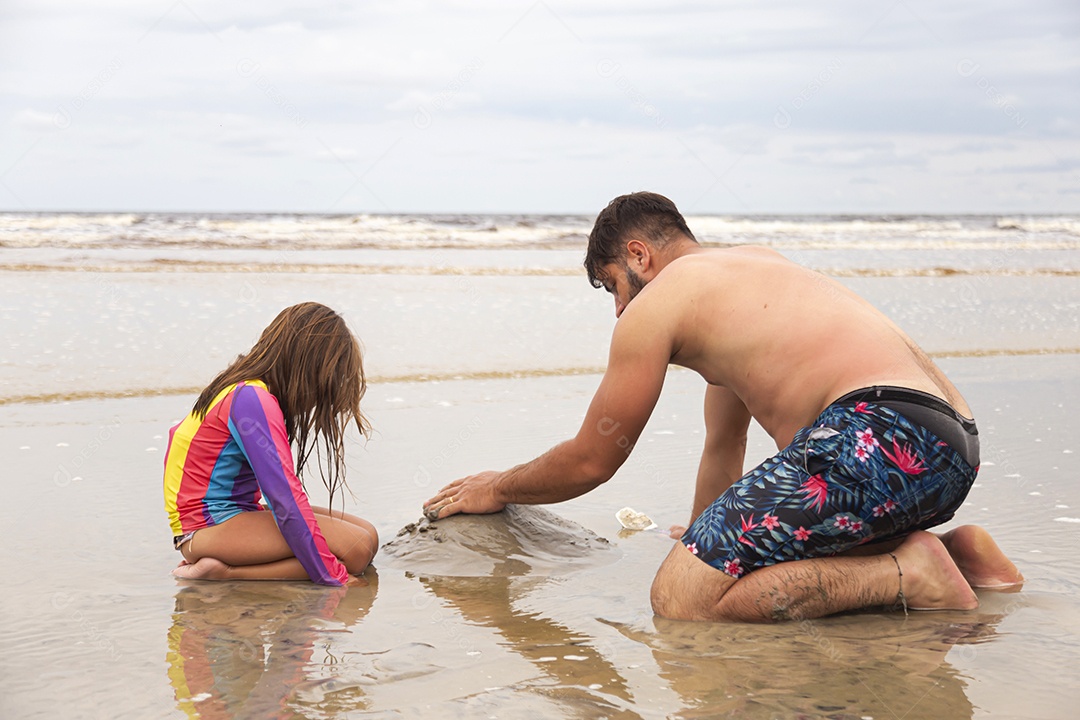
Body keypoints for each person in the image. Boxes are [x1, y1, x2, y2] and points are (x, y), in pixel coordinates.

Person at [425, 192, 1022, 622]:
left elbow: (592, 460)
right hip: (947, 445)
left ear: (638, 255)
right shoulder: (752, 270)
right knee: (717, 564)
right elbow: (724, 444)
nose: (617, 311)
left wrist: (500, 487)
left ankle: (912, 573)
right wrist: (703, 537)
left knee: (682, 602)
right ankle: (958, 553)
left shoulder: (658, 305)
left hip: (875, 435)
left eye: (612, 288)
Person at [164, 302, 378, 586]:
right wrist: (333, 576)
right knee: (356, 549)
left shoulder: (244, 387)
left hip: (231, 517)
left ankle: (227, 564)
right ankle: (224, 573)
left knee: (369, 535)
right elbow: (285, 499)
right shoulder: (252, 399)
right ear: (306, 366)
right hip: (206, 528)